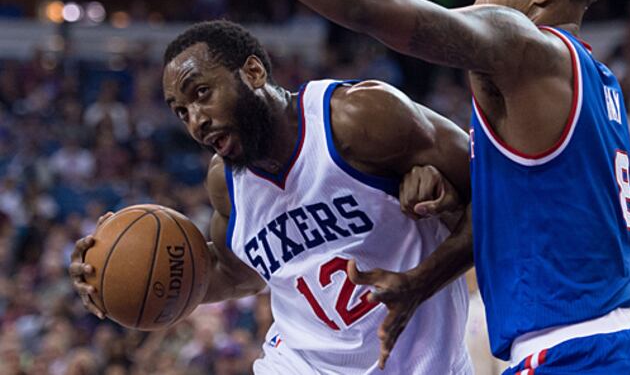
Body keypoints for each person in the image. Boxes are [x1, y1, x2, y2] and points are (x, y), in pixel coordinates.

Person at [123, 0, 630, 372]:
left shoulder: (526, 45)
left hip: (579, 351)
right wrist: (436, 234)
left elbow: (372, 8)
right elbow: (517, 212)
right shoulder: (595, 82)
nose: (478, 4)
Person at [70, 21, 474, 374]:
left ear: (253, 71)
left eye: (202, 92)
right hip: (298, 364)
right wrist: (112, 279)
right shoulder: (224, 183)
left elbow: (499, 197)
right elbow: (234, 274)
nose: (196, 120)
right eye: (181, 111)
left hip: (424, 361)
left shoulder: (357, 119)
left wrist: (424, 277)